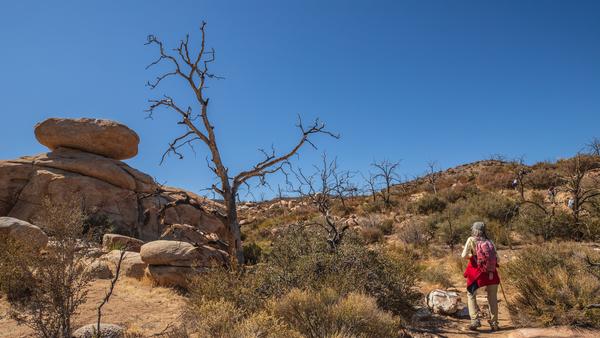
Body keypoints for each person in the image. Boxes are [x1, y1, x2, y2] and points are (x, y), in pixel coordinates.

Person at [462, 221, 500, 331]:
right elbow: (498, 259)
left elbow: (463, 255)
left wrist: (473, 256)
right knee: (492, 298)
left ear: (474, 230)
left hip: (476, 273)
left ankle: (475, 321)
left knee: (471, 294)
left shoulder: (471, 240)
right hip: (491, 273)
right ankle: (494, 323)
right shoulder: (489, 241)